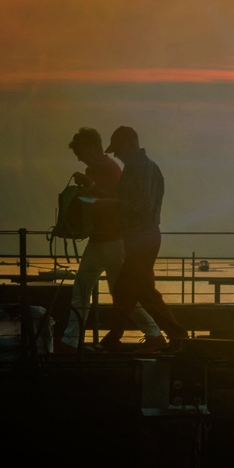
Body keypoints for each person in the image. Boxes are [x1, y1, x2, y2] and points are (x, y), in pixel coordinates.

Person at [60, 127, 165, 354]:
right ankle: (70, 341)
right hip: (98, 240)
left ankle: (155, 334)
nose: (79, 158)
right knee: (83, 289)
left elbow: (119, 204)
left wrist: (89, 189)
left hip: (114, 241)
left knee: (123, 295)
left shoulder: (112, 169)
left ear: (89, 148)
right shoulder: (95, 169)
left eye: (80, 152)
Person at [97, 125, 189, 353]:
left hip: (143, 236)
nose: (116, 154)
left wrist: (113, 205)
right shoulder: (136, 168)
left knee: (136, 290)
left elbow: (144, 206)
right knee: (131, 289)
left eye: (118, 148)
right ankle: (116, 339)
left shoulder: (143, 169)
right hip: (138, 237)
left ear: (131, 144)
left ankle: (178, 336)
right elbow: (130, 201)